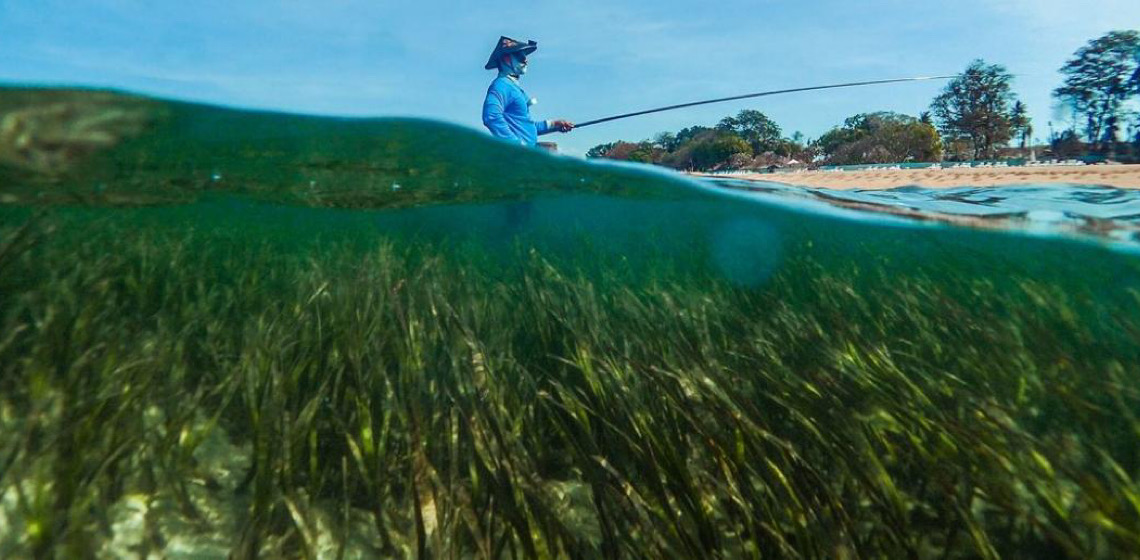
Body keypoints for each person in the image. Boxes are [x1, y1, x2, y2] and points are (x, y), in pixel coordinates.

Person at [482, 36, 573, 146]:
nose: (526, 60)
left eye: (525, 55)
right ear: (506, 59)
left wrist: (555, 124)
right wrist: (516, 144)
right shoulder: (501, 85)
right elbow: (491, 116)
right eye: (520, 56)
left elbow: (526, 126)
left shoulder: (514, 88)